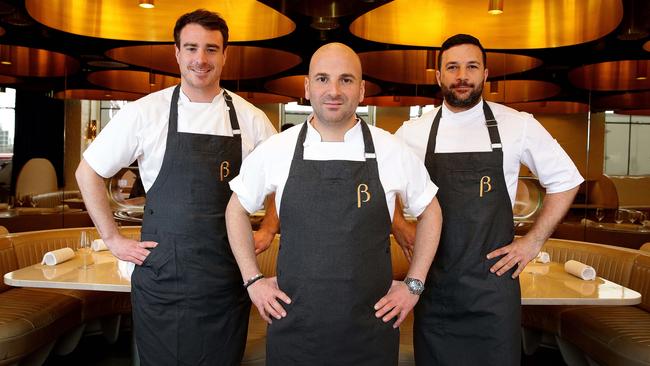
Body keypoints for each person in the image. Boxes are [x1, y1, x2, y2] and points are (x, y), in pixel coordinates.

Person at [75, 9, 278, 366]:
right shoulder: (144, 112)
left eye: (212, 49)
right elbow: (87, 172)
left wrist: (270, 227)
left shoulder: (249, 117)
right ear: (177, 52)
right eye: (191, 48)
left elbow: (282, 179)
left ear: (225, 54)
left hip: (225, 278)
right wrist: (112, 238)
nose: (201, 59)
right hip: (163, 277)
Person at [225, 42, 443, 365]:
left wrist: (413, 284)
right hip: (295, 330)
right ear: (307, 87)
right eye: (323, 79)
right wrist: (253, 281)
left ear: (362, 89)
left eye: (346, 79)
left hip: (370, 332)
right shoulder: (277, 149)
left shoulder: (390, 149)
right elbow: (235, 209)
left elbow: (432, 212)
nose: (334, 90)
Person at [392, 34, 584, 365]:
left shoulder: (518, 125)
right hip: (435, 287)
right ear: (438, 76)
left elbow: (566, 180)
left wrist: (533, 241)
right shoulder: (414, 132)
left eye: (471, 66)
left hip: (493, 289)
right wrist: (398, 225)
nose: (462, 76)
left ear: (485, 73)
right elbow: (381, 185)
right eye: (452, 67)